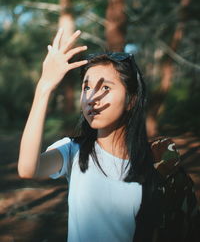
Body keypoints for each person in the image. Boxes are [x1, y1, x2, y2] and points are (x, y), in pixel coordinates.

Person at [18, 29, 200, 242]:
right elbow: (28, 169)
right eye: (86, 87)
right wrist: (44, 87)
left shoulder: (155, 162)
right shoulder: (73, 151)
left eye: (105, 87)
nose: (91, 97)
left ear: (131, 100)